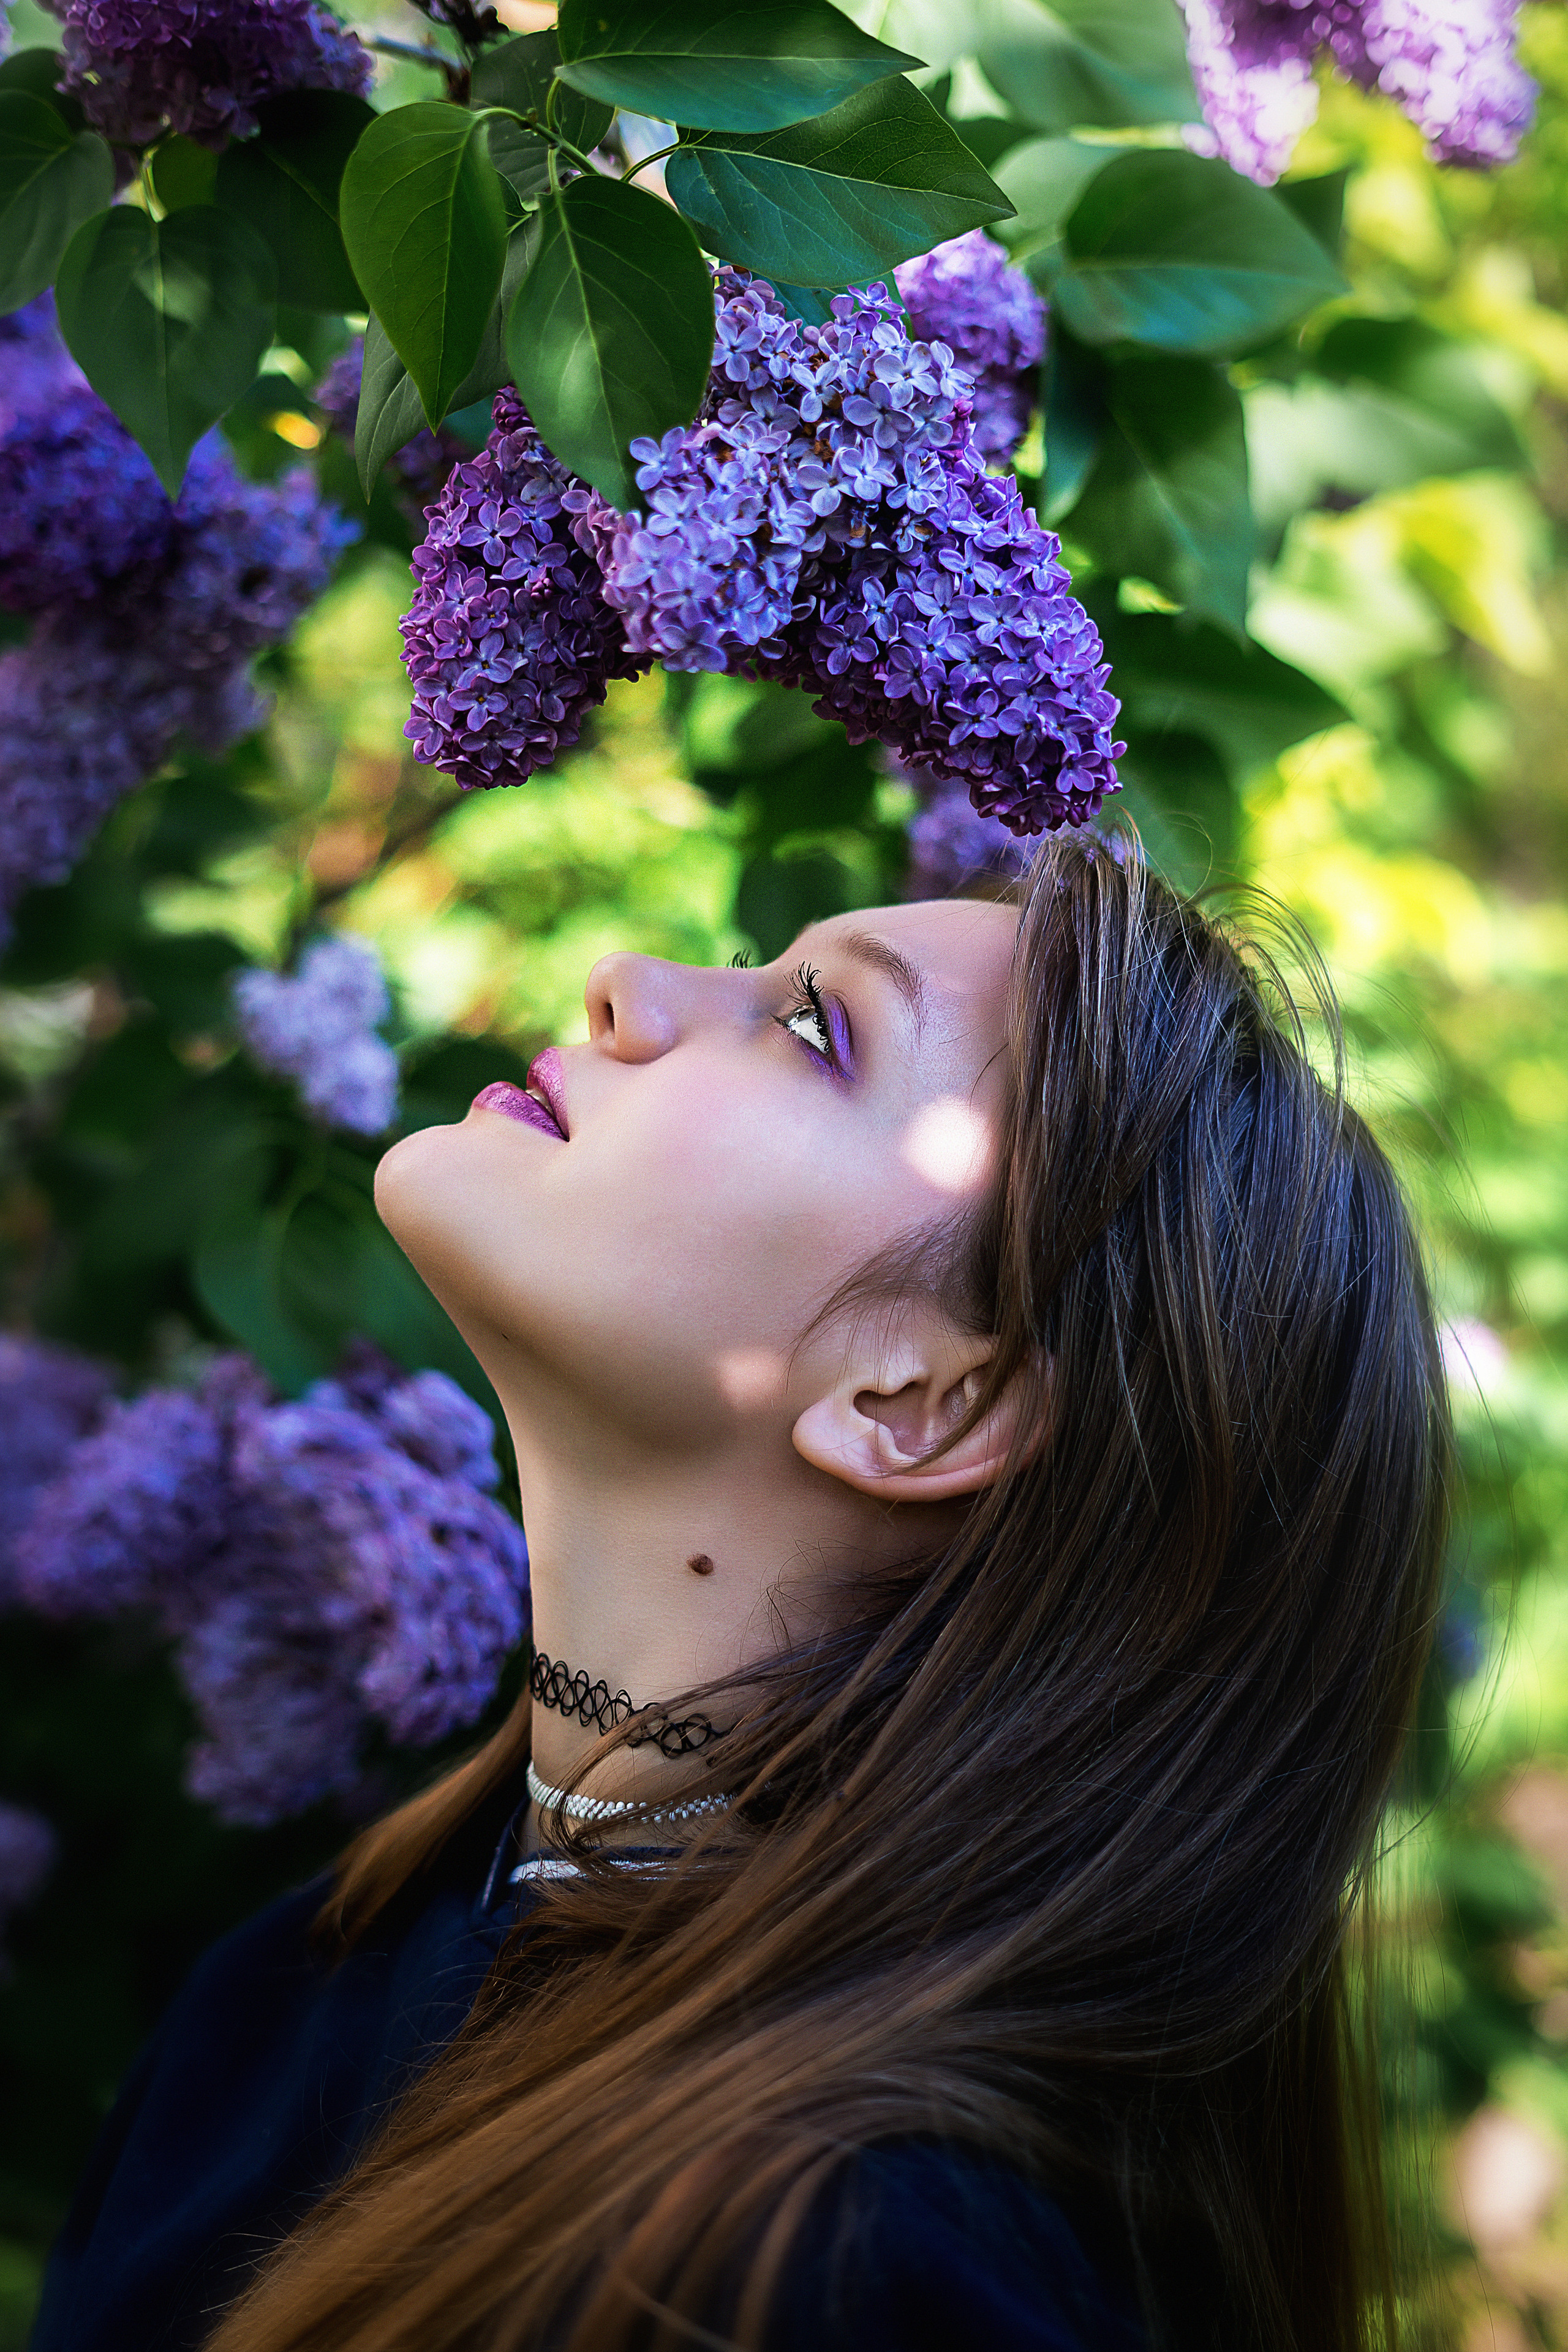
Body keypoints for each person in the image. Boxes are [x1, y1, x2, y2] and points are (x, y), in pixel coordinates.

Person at [31, 837, 1449, 2352]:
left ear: (924, 1403)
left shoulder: (866, 2278)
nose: (626, 986)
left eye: (812, 1026)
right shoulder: (307, 1978)